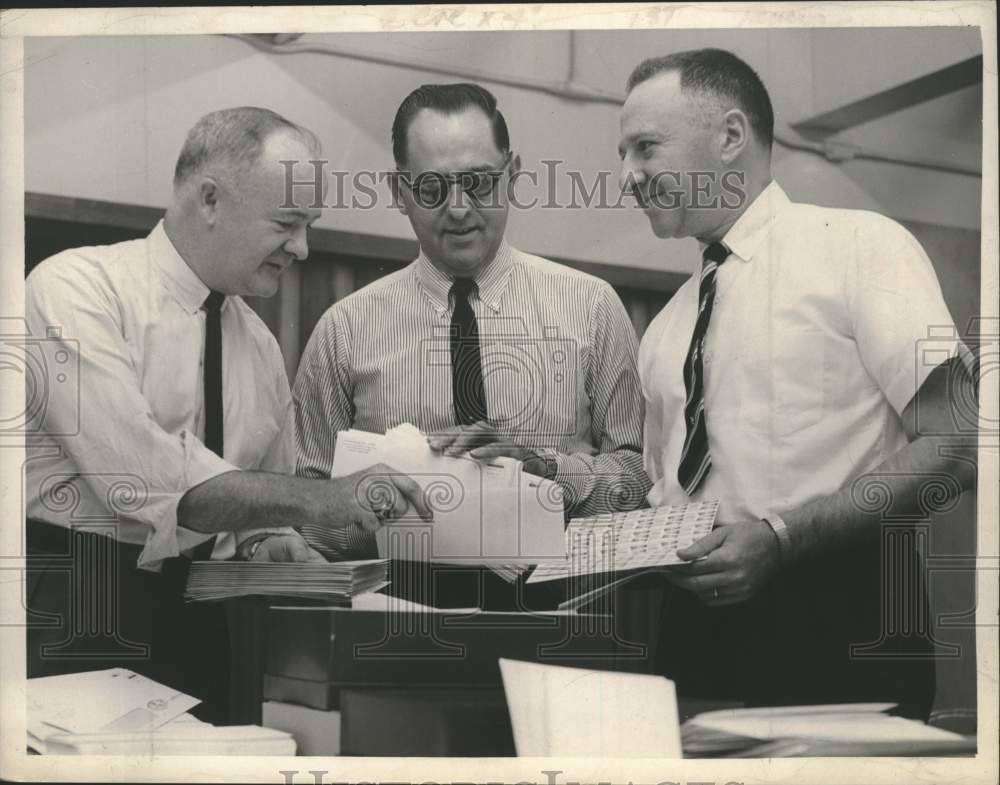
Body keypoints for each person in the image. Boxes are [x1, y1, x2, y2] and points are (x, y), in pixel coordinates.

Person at [25, 107, 431, 723]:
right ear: (210, 199)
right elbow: (148, 482)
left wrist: (275, 544)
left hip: (205, 628)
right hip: (76, 607)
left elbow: (255, 516)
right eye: (287, 223)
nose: (302, 247)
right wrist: (317, 501)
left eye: (309, 225)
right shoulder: (77, 289)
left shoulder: (260, 346)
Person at [618, 49, 977, 718]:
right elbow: (662, 493)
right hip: (695, 635)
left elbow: (958, 444)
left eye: (645, 147)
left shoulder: (860, 247)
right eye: (624, 153)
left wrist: (784, 535)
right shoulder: (664, 329)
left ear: (730, 137)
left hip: (843, 617)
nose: (627, 176)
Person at [294, 83, 649, 606]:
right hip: (397, 623)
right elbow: (305, 507)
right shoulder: (344, 330)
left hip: (564, 616)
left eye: (479, 183)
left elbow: (640, 480)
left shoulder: (592, 309)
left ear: (514, 175)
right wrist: (364, 504)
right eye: (433, 188)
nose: (459, 209)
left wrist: (548, 471)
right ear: (399, 191)